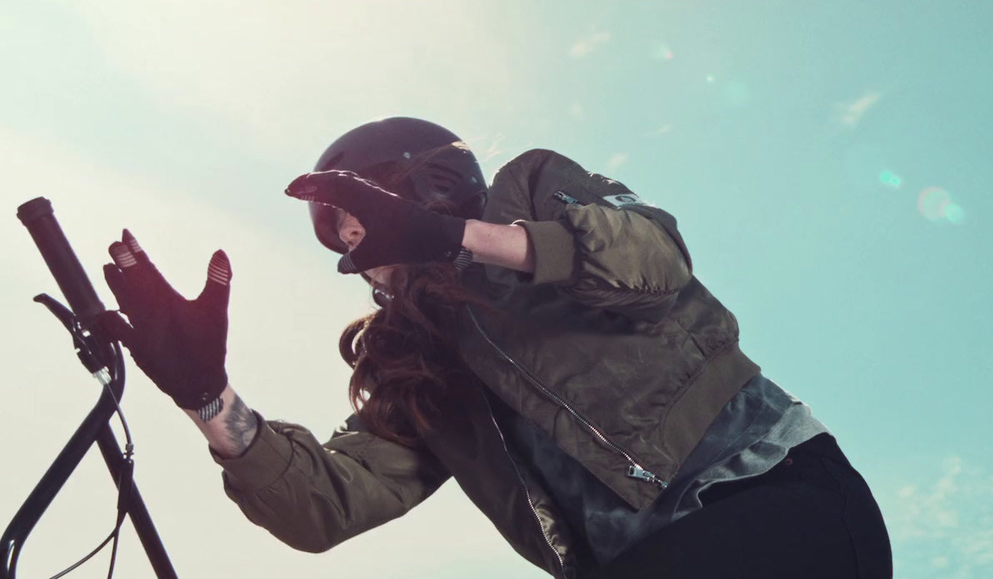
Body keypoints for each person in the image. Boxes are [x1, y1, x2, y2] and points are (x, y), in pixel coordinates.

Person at [95, 117, 893, 578]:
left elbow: (651, 259)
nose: (361, 256)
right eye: (343, 245)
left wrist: (458, 238)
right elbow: (329, 502)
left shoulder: (535, 191)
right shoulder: (419, 361)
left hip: (774, 496)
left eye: (362, 222)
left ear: (427, 186)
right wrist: (208, 395)